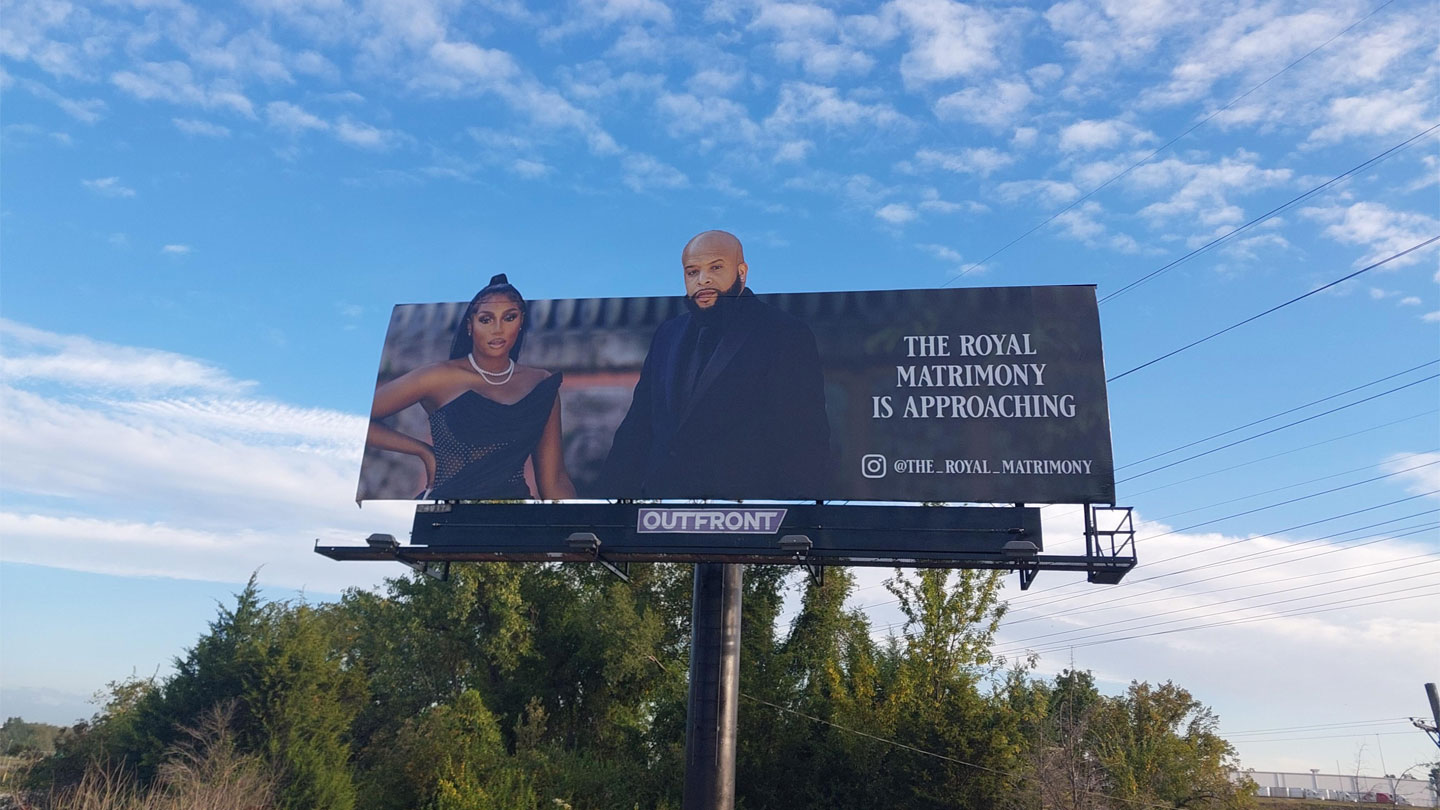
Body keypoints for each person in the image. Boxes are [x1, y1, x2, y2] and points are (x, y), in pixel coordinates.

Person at [601, 230, 830, 499]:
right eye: (692, 272)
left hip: (748, 520)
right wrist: (608, 509)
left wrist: (795, 523)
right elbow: (638, 427)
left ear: (742, 272)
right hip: (659, 517)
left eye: (716, 267)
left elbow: (804, 438)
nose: (703, 279)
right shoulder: (668, 334)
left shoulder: (784, 333)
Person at [366, 274, 576, 500]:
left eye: (509, 317)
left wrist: (578, 528)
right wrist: (423, 451)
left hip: (514, 514)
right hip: (446, 513)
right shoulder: (438, 377)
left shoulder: (541, 384)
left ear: (521, 321)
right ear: (470, 325)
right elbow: (359, 418)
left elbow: (554, 479)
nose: (498, 329)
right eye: (486, 320)